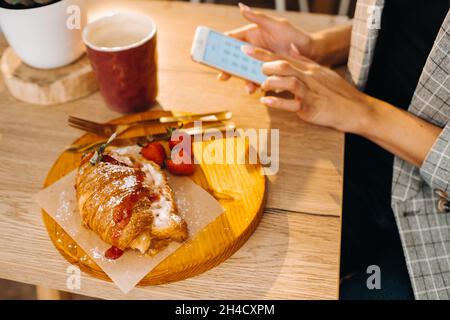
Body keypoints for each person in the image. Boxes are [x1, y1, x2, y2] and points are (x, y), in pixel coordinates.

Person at [219, 1, 450, 299]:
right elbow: (412, 24)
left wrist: (363, 111)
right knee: (242, 265)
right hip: (352, 152)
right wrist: (318, 47)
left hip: (436, 225)